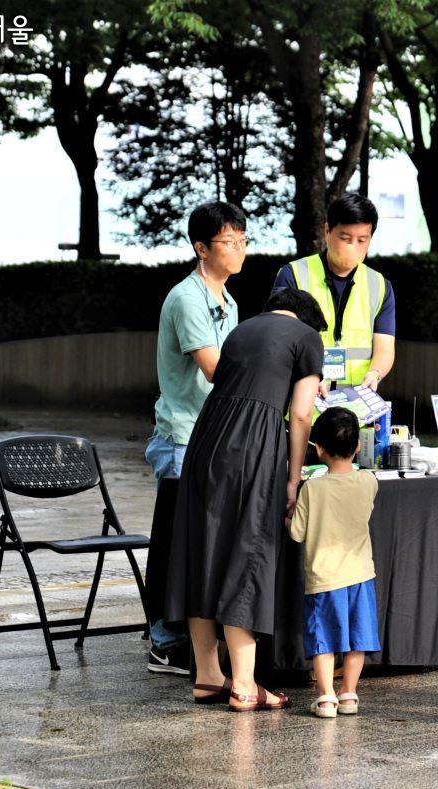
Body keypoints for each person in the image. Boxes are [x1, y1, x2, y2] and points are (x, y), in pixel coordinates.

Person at [163, 288, 327, 711]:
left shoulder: (239, 331)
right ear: (307, 319)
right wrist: (293, 477)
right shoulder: (307, 337)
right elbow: (303, 414)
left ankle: (207, 676)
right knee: (245, 550)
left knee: (203, 550)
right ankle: (244, 685)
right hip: (253, 443)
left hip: (207, 438)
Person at [143, 201, 246, 676]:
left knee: (200, 543)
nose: (239, 249)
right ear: (201, 248)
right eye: (229, 242)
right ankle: (165, 641)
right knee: (177, 541)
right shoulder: (187, 298)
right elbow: (215, 368)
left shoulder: (229, 300)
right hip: (183, 437)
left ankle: (184, 637)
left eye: (243, 241)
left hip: (212, 435)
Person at [289, 407, 381, 718]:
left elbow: (297, 533)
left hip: (324, 578)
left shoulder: (312, 488)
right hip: (360, 574)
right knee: (357, 639)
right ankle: (350, 694)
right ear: (358, 447)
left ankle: (327, 696)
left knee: (324, 641)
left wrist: (288, 515)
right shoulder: (368, 481)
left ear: (318, 449)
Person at [271, 192, 396, 394]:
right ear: (327, 230)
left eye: (362, 240)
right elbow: (278, 341)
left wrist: (376, 373)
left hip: (355, 410)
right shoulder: (292, 275)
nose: (353, 247)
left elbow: (385, 348)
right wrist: (308, 373)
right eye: (345, 238)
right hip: (302, 405)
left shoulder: (380, 285)